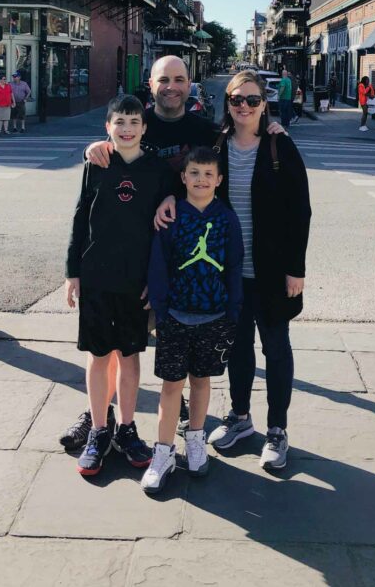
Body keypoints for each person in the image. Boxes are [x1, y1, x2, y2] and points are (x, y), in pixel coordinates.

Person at [59, 54, 285, 451]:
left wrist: (270, 128)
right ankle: (100, 417)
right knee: (110, 345)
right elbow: (113, 145)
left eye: (179, 79)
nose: (172, 87)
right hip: (125, 258)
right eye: (164, 79)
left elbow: (240, 133)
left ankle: (169, 413)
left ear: (189, 83)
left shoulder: (204, 129)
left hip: (181, 260)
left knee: (169, 342)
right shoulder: (136, 120)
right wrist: (94, 148)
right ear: (151, 84)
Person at [199, 71, 311, 471]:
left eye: (251, 100)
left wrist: (296, 269)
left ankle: (277, 429)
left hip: (272, 270)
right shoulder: (216, 145)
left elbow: (300, 211)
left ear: (265, 104)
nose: (243, 106)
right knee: (238, 348)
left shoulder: (280, 146)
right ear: (227, 104)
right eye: (236, 100)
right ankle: (241, 416)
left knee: (276, 348)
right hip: (230, 272)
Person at [65, 95, 174, 477]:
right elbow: (80, 216)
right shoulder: (97, 163)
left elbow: (172, 213)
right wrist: (72, 272)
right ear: (107, 127)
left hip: (135, 280)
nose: (127, 129)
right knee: (98, 355)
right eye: (120, 122)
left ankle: (127, 428)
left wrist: (156, 280)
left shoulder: (157, 169)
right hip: (96, 275)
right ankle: (99, 430)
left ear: (144, 128)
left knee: (129, 356)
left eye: (133, 122)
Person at [141, 146, 243, 494]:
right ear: (183, 177)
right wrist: (160, 308)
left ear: (219, 180)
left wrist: (232, 312)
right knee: (171, 386)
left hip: (214, 315)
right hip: (175, 315)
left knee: (201, 380)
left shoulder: (227, 218)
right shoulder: (171, 217)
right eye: (195, 173)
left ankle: (196, 439)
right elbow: (158, 263)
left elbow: (234, 266)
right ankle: (163, 451)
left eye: (208, 174)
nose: (201, 179)